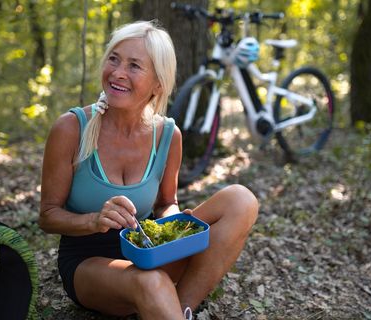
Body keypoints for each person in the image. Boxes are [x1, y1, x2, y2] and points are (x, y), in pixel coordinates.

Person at [39, 20, 258, 320]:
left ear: (158, 83)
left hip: (149, 249)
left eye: (134, 66)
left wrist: (175, 223)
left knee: (240, 200)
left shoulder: (168, 135)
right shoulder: (71, 128)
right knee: (152, 283)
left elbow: (166, 203)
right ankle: (160, 302)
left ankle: (179, 309)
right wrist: (94, 220)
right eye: (114, 59)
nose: (118, 73)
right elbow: (48, 216)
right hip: (89, 263)